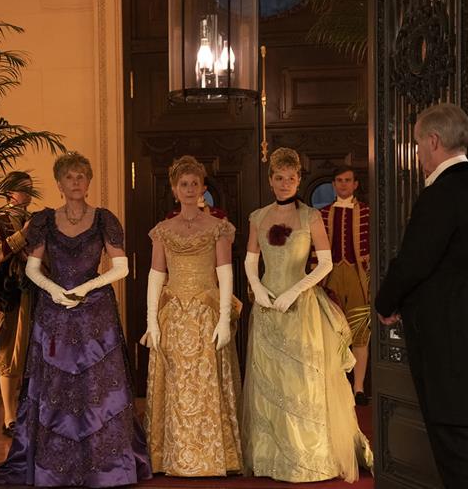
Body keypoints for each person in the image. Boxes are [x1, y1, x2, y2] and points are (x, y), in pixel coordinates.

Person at [0, 152, 151, 487]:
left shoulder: (104, 219)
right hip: (55, 312)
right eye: (70, 177)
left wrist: (84, 289)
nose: (76, 182)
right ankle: (54, 465)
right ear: (59, 184)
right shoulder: (43, 221)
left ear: (89, 181)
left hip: (95, 311)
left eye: (82, 176)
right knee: (56, 387)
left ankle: (106, 464)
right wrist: (55, 291)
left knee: (98, 389)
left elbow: (121, 267)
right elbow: (34, 269)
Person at [376, 103, 468, 489]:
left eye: (416, 143)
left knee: (455, 449)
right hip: (464, 332)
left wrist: (385, 303)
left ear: (433, 141)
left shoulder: (443, 192)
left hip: (444, 340)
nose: (417, 153)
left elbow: (414, 260)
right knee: (460, 445)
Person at [241, 147, 372, 483]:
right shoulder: (258, 217)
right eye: (279, 177)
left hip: (300, 306)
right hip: (268, 306)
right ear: (271, 180)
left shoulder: (311, 217)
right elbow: (249, 260)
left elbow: (325, 263)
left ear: (299, 180)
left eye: (291, 178)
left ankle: (306, 456)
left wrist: (293, 291)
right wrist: (257, 288)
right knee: (269, 380)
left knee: (301, 381)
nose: (285, 183)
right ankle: (271, 456)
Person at [141, 155, 243, 477]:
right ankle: (168, 457)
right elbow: (155, 276)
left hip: (205, 314)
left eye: (194, 183)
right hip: (173, 315)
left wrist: (224, 318)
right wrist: (151, 321)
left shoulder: (218, 228)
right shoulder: (162, 231)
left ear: (202, 189)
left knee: (205, 385)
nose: (188, 188)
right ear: (174, 189)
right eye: (183, 184)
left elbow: (225, 274)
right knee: (174, 387)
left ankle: (213, 458)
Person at [0, 171, 35, 437]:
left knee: (32, 354)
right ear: (9, 192)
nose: (27, 193)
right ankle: (9, 416)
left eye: (30, 188)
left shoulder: (36, 220)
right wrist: (23, 236)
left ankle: (29, 413)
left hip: (36, 292)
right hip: (10, 293)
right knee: (10, 355)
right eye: (22, 188)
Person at [319, 166, 372, 405]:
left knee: (360, 331)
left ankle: (358, 387)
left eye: (347, 180)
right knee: (331, 331)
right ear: (333, 184)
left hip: (358, 276)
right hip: (330, 277)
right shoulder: (322, 213)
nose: (343, 184)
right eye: (339, 180)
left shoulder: (367, 212)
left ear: (355, 184)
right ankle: (336, 385)